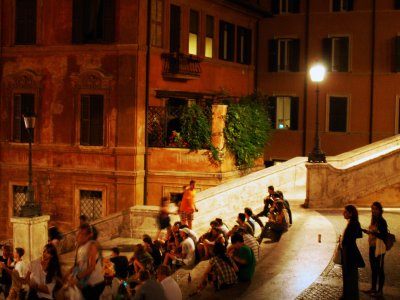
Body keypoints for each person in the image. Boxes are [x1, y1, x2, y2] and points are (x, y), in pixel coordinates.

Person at [65, 223, 105, 299]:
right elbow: (79, 265)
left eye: (82, 234)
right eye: (78, 233)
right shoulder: (81, 247)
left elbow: (91, 267)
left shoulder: (92, 245)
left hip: (95, 284)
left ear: (89, 235)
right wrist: (68, 273)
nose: (78, 236)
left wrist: (76, 278)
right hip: (86, 284)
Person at [361, 201, 388, 298]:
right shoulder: (374, 220)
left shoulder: (382, 221)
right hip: (372, 247)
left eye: (376, 208)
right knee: (373, 268)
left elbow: (383, 235)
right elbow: (373, 233)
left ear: (380, 210)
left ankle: (380, 291)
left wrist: (373, 232)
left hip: (379, 249)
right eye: (372, 208)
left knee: (380, 269)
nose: (373, 210)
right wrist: (367, 231)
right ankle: (373, 288)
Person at [341, 205, 365, 300]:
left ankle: (350, 296)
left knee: (350, 275)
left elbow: (351, 238)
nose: (343, 213)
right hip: (348, 251)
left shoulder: (353, 223)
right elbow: (359, 234)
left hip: (350, 253)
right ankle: (348, 295)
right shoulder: (352, 222)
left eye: (346, 212)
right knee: (348, 275)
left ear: (351, 213)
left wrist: (343, 240)